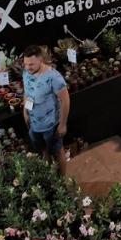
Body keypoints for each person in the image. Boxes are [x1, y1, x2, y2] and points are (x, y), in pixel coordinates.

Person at [22, 45, 70, 176]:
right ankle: (49, 176)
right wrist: (25, 111)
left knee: (58, 151)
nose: (27, 67)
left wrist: (62, 124)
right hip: (34, 124)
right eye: (25, 64)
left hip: (51, 125)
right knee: (43, 150)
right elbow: (27, 92)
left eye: (31, 64)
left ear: (40, 60)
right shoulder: (26, 73)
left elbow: (65, 101)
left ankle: (62, 180)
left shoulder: (54, 77)